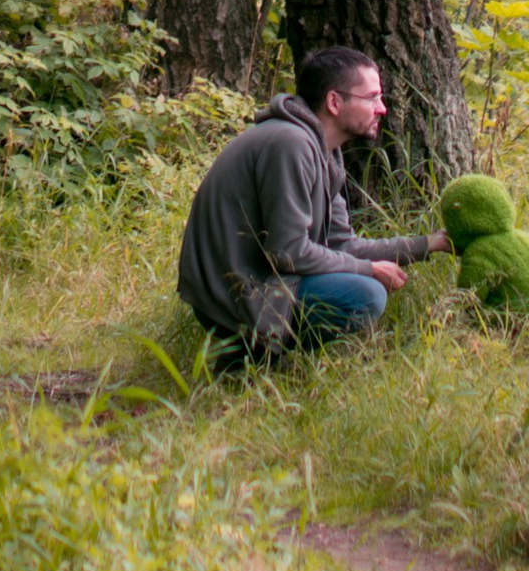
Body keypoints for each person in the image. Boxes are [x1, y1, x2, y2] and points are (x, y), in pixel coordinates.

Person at [176, 45, 450, 366]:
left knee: (364, 284)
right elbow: (288, 252)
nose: (382, 108)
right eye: (372, 97)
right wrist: (369, 270)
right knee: (366, 294)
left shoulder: (324, 151)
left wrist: (431, 244)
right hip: (234, 299)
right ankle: (247, 359)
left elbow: (343, 245)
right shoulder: (290, 143)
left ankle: (260, 358)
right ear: (335, 102)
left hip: (262, 285)